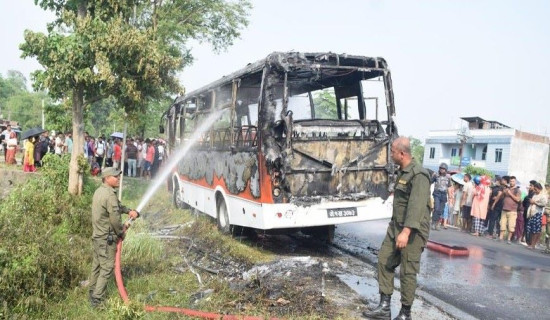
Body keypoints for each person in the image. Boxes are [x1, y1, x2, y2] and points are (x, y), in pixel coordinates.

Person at [362, 137, 430, 320]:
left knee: (407, 271)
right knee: (384, 260)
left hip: (412, 231)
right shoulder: (403, 172)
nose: (390, 154)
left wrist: (406, 232)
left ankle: (405, 313)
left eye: (392, 151)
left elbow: (416, 208)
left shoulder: (419, 175)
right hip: (396, 227)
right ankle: (384, 307)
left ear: (402, 153)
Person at [88, 167, 139, 307]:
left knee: (97, 266)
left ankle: (92, 292)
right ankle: (97, 300)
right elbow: (115, 220)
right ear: (107, 178)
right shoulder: (109, 195)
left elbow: (118, 207)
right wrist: (121, 233)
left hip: (97, 236)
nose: (118, 179)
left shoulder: (100, 191)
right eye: (115, 176)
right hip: (106, 238)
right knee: (107, 268)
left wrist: (129, 211)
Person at [499, 176, 521, 244]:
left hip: (512, 210)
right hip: (504, 209)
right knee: (502, 224)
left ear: (515, 182)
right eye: (511, 181)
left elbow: (518, 199)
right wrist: (504, 192)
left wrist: (510, 193)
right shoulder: (507, 188)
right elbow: (502, 196)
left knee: (511, 226)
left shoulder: (517, 190)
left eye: (513, 181)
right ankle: (500, 237)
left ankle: (509, 239)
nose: (511, 183)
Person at [525, 182, 548, 250]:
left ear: (539, 188)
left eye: (536, 189)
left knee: (536, 230)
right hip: (532, 213)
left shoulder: (543, 196)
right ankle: (531, 243)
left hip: (538, 214)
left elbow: (543, 204)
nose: (535, 190)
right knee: (531, 229)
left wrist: (534, 202)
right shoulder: (534, 195)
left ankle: (533, 244)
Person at [430, 163, 451, 230]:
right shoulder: (436, 175)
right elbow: (430, 182)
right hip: (437, 193)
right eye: (441, 168)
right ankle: (433, 222)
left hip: (444, 194)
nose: (442, 170)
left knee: (440, 210)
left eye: (443, 169)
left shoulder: (448, 177)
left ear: (446, 170)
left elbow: (449, 187)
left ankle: (437, 224)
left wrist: (450, 196)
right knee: (436, 208)